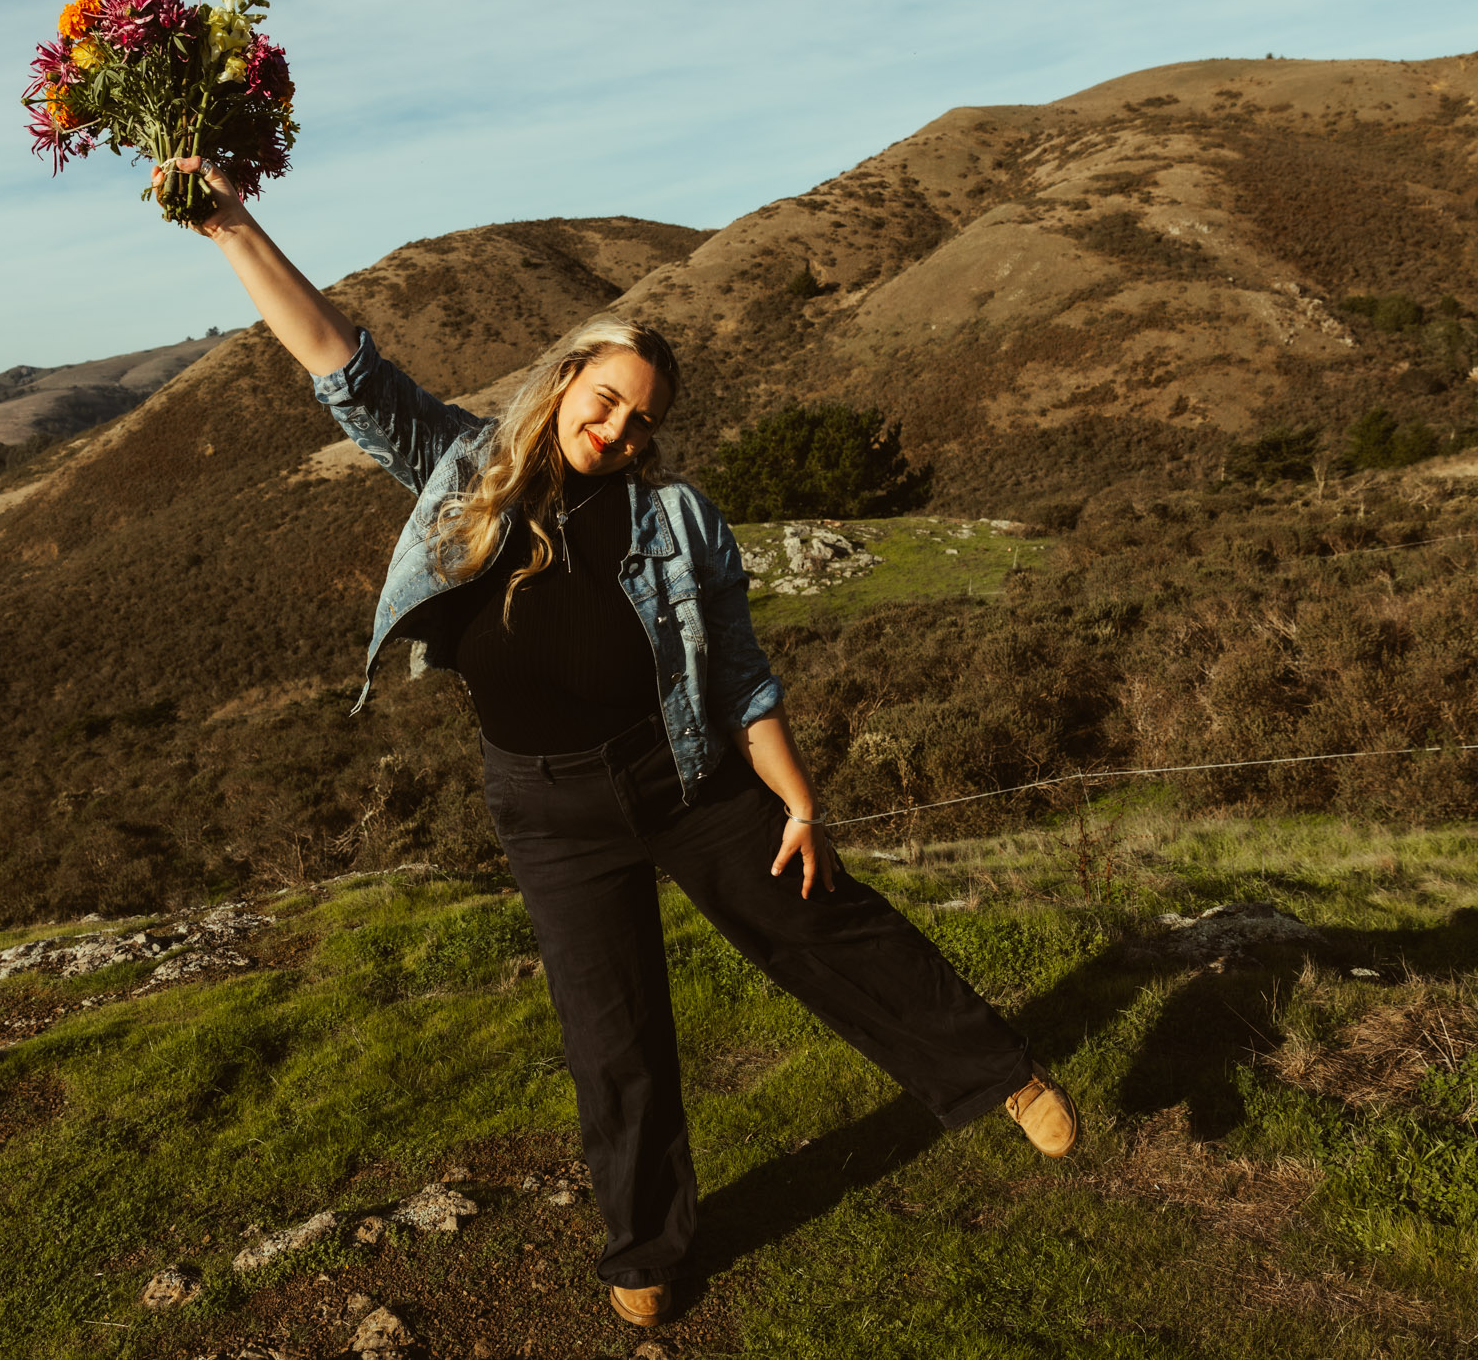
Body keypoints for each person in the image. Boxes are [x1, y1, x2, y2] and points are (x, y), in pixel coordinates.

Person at [157, 158, 1078, 1329]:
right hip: (545, 805)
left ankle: (996, 1073)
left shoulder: (678, 518)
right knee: (613, 1033)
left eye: (640, 418)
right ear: (561, 382)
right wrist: (233, 227)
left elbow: (740, 674)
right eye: (605, 399)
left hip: (683, 771)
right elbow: (339, 362)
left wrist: (796, 799)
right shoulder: (461, 468)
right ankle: (646, 1242)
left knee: (822, 918)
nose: (617, 426)